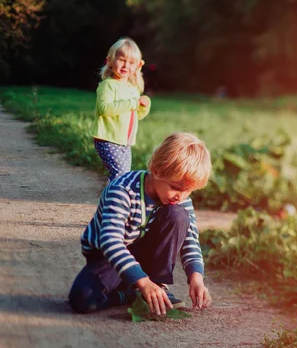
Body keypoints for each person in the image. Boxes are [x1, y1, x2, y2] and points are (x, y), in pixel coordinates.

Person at [68, 132, 213, 315]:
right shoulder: (122, 190)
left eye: (189, 191)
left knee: (178, 215)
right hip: (109, 256)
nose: (181, 196)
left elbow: (190, 240)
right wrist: (142, 281)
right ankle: (131, 293)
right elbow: (110, 242)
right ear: (156, 170)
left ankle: (157, 285)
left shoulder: (179, 201)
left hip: (145, 255)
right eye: (175, 188)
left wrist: (196, 278)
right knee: (82, 299)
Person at [94, 37, 151, 182]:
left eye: (131, 63)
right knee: (121, 174)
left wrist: (144, 107)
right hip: (107, 138)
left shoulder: (132, 89)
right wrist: (133, 103)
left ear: (137, 67)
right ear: (110, 61)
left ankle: (111, 198)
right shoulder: (108, 86)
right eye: (122, 60)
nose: (126, 65)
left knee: (122, 175)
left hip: (125, 141)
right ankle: (114, 201)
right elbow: (104, 109)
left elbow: (134, 116)